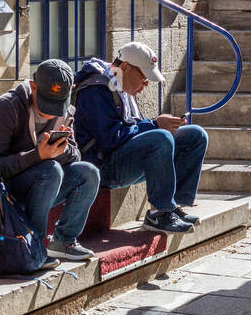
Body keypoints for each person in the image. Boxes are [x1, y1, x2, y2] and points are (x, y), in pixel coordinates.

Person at [72, 42, 208, 236]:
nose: (145, 86)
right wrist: (154, 125)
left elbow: (132, 127)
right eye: (144, 79)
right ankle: (159, 213)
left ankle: (173, 207)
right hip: (102, 167)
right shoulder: (96, 89)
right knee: (160, 138)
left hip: (122, 157)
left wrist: (160, 126)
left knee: (194, 135)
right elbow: (110, 139)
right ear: (125, 68)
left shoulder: (120, 84)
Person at [0, 59, 100, 261]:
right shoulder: (6, 108)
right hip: (0, 190)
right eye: (47, 102)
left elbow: (76, 155)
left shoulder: (66, 111)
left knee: (88, 172)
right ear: (33, 86)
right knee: (51, 170)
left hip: (41, 185)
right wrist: (38, 155)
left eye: (57, 105)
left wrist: (60, 150)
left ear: (70, 91)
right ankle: (35, 248)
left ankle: (63, 241)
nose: (51, 113)